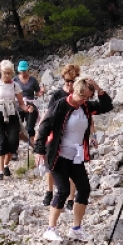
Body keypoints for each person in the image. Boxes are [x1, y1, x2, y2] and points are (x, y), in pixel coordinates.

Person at [34, 77, 113, 241]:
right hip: (58, 154)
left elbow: (107, 106)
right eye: (83, 96)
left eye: (88, 97)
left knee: (84, 188)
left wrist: (98, 87)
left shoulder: (85, 106)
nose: (85, 100)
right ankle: (50, 228)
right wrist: (39, 150)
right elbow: (44, 126)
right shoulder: (61, 105)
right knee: (63, 190)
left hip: (75, 156)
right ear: (76, 92)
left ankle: (76, 229)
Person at [40, 64, 81, 209]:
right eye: (67, 81)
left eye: (72, 81)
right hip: (55, 134)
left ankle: (70, 198)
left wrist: (92, 134)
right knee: (51, 163)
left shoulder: (79, 96)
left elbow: (86, 116)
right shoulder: (57, 95)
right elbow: (48, 113)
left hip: (73, 136)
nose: (69, 84)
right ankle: (49, 191)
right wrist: (41, 132)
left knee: (73, 166)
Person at [0, 60, 28, 179]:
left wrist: (27, 109)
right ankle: (1, 171)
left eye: (9, 73)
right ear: (0, 71)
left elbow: (21, 103)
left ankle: (6, 165)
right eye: (5, 72)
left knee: (13, 141)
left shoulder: (15, 85)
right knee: (1, 141)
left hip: (11, 113)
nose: (7, 75)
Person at [15, 60, 44, 145]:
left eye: (24, 70)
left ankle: (33, 144)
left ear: (27, 69)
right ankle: (15, 146)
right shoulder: (15, 79)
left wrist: (42, 92)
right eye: (21, 71)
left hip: (30, 104)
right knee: (16, 127)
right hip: (18, 104)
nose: (23, 72)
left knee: (30, 127)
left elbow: (38, 93)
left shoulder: (33, 80)